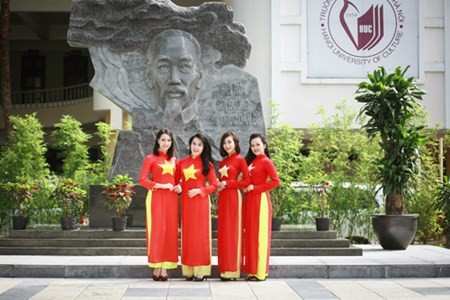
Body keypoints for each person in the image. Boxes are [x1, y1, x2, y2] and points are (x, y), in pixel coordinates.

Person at [175, 133, 218, 281]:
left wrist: (200, 190)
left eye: (199, 145)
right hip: (186, 204)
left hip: (201, 203)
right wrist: (179, 186)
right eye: (194, 143)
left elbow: (214, 185)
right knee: (188, 235)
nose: (196, 147)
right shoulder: (181, 163)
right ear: (190, 144)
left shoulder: (208, 165)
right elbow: (176, 182)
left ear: (203, 147)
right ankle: (188, 270)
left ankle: (201, 270)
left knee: (200, 236)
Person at [139, 128, 179, 281]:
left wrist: (178, 185)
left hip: (172, 199)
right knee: (157, 230)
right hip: (156, 196)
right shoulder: (150, 158)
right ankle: (156, 265)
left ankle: (165, 267)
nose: (166, 143)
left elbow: (177, 179)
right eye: (163, 140)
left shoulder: (174, 159)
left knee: (169, 231)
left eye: (169, 140)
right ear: (157, 141)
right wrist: (161, 186)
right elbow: (142, 180)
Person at [242, 133, 280, 281]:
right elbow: (248, 181)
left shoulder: (266, 162)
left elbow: (276, 181)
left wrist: (255, 188)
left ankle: (260, 272)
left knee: (260, 236)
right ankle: (251, 271)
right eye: (252, 145)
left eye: (258, 144)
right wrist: (246, 187)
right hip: (250, 200)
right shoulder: (252, 161)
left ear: (264, 145)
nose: (255, 147)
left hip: (261, 201)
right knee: (251, 235)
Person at [146, 29, 202, 125]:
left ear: (199, 77)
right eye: (164, 66)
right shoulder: (141, 119)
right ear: (149, 77)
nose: (174, 79)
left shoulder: (211, 123)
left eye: (185, 66)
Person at [216, 131, 250, 281]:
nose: (227, 145)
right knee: (224, 231)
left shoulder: (240, 160)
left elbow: (246, 181)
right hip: (223, 197)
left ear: (235, 143)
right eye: (225, 143)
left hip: (234, 198)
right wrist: (217, 187)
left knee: (233, 231)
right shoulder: (222, 163)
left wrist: (228, 183)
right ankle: (224, 269)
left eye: (229, 142)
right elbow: (219, 181)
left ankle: (233, 270)